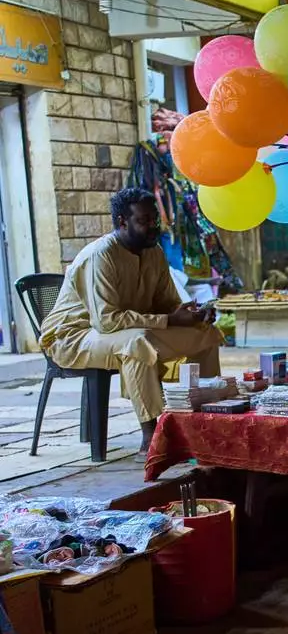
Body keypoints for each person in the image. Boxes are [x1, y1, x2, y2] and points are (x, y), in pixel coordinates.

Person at [38, 188, 224, 451]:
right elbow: (106, 321)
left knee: (205, 333)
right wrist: (170, 320)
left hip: (127, 329)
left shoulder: (154, 252)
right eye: (144, 220)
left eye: (154, 219)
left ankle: (201, 419)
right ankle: (152, 437)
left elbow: (166, 303)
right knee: (136, 344)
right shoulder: (101, 255)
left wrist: (192, 314)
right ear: (122, 222)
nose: (153, 226)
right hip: (74, 337)